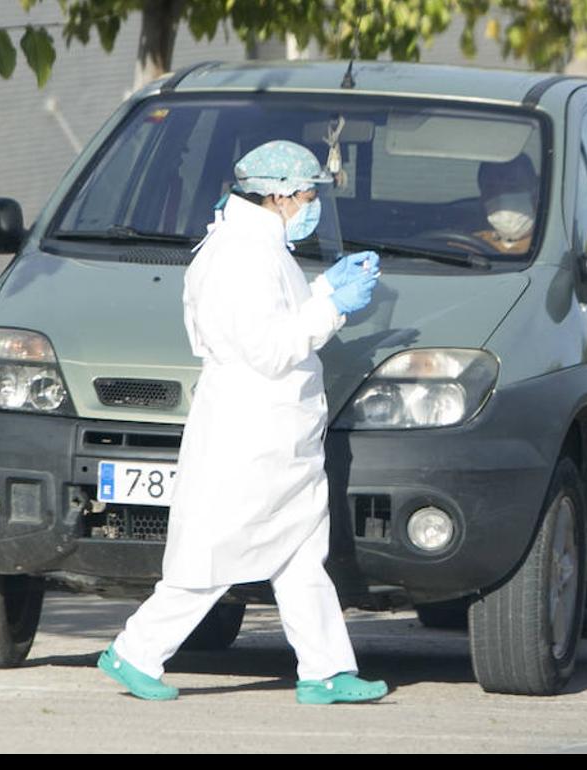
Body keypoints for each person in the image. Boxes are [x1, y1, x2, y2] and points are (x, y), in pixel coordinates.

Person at [98, 140, 387, 704]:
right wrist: (334, 306)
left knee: (302, 551)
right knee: (215, 551)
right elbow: (270, 346)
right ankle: (135, 651)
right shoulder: (241, 256)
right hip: (252, 429)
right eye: (306, 194)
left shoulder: (257, 245)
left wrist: (327, 286)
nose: (312, 205)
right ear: (278, 196)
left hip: (277, 428)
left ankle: (325, 670)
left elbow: (279, 316)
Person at [473, 154, 539, 253]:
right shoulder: (471, 244)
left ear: (535, 192)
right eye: (492, 189)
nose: (501, 196)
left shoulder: (551, 244)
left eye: (512, 186)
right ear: (483, 199)